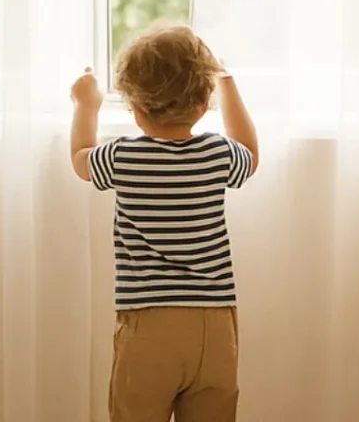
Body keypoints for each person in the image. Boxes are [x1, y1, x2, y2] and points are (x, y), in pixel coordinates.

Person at [70, 22, 258, 422]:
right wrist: (226, 82)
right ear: (205, 99)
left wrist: (86, 105)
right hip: (214, 323)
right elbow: (250, 154)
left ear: (136, 111)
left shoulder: (122, 158)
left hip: (148, 323)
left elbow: (81, 160)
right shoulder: (218, 154)